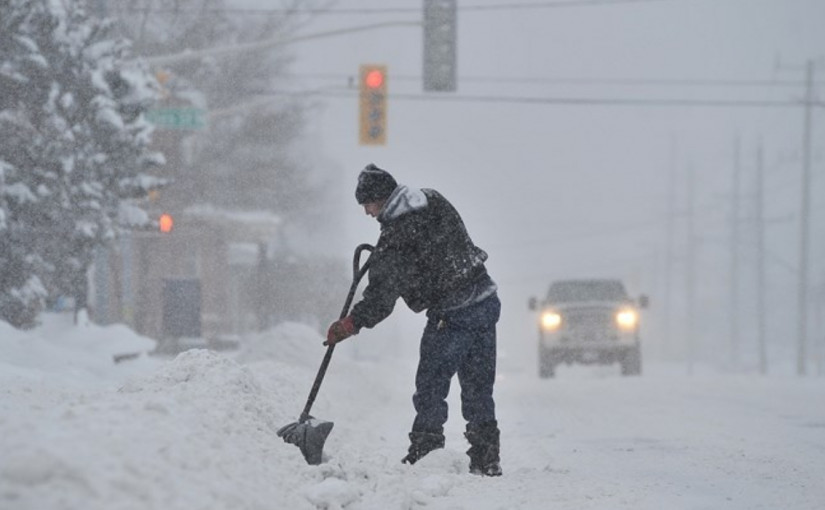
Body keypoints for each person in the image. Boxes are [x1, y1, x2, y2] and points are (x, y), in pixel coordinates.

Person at [324, 163, 503, 476]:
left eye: (367, 205)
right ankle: (486, 458)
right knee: (478, 386)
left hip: (453, 312)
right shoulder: (433, 200)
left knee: (431, 384)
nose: (367, 213)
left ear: (380, 199)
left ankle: (425, 450)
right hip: (485, 301)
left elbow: (381, 297)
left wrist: (351, 324)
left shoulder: (395, 237)